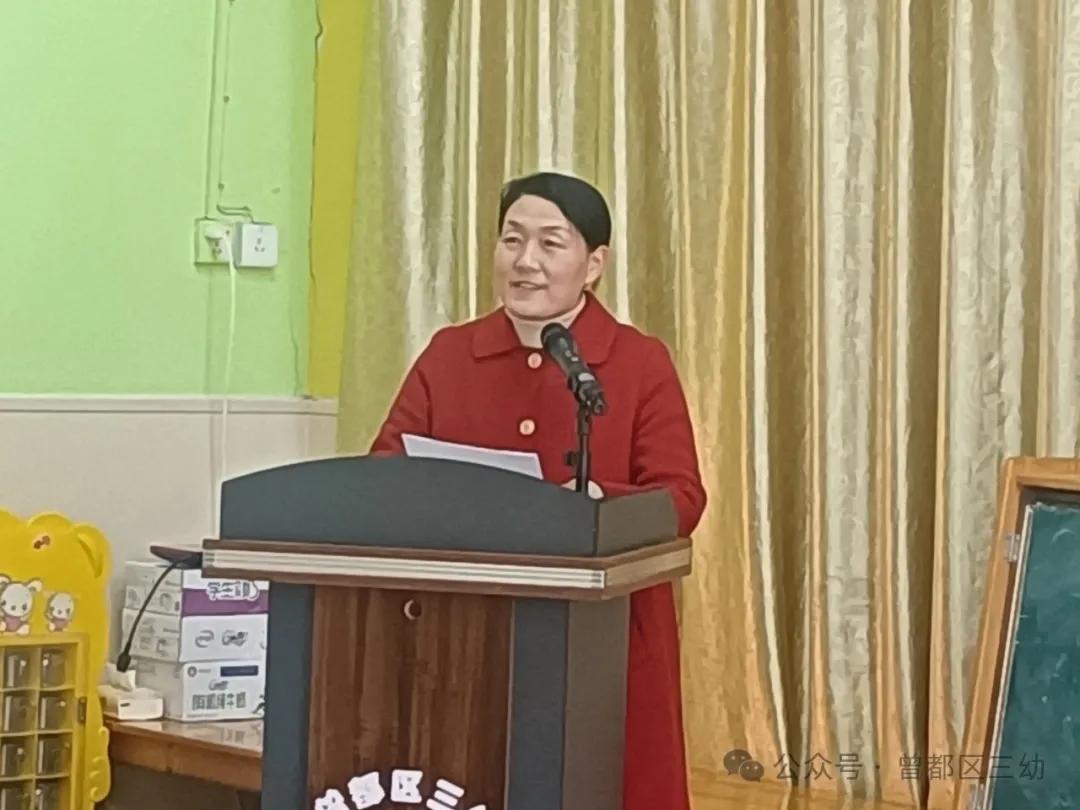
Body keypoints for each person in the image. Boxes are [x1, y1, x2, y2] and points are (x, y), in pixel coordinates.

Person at [369, 171, 707, 810]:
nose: (525, 261)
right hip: (464, 633)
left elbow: (681, 496)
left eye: (551, 243)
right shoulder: (449, 354)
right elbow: (386, 468)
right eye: (511, 240)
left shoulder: (637, 362)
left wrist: (584, 500)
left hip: (601, 634)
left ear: (594, 265)